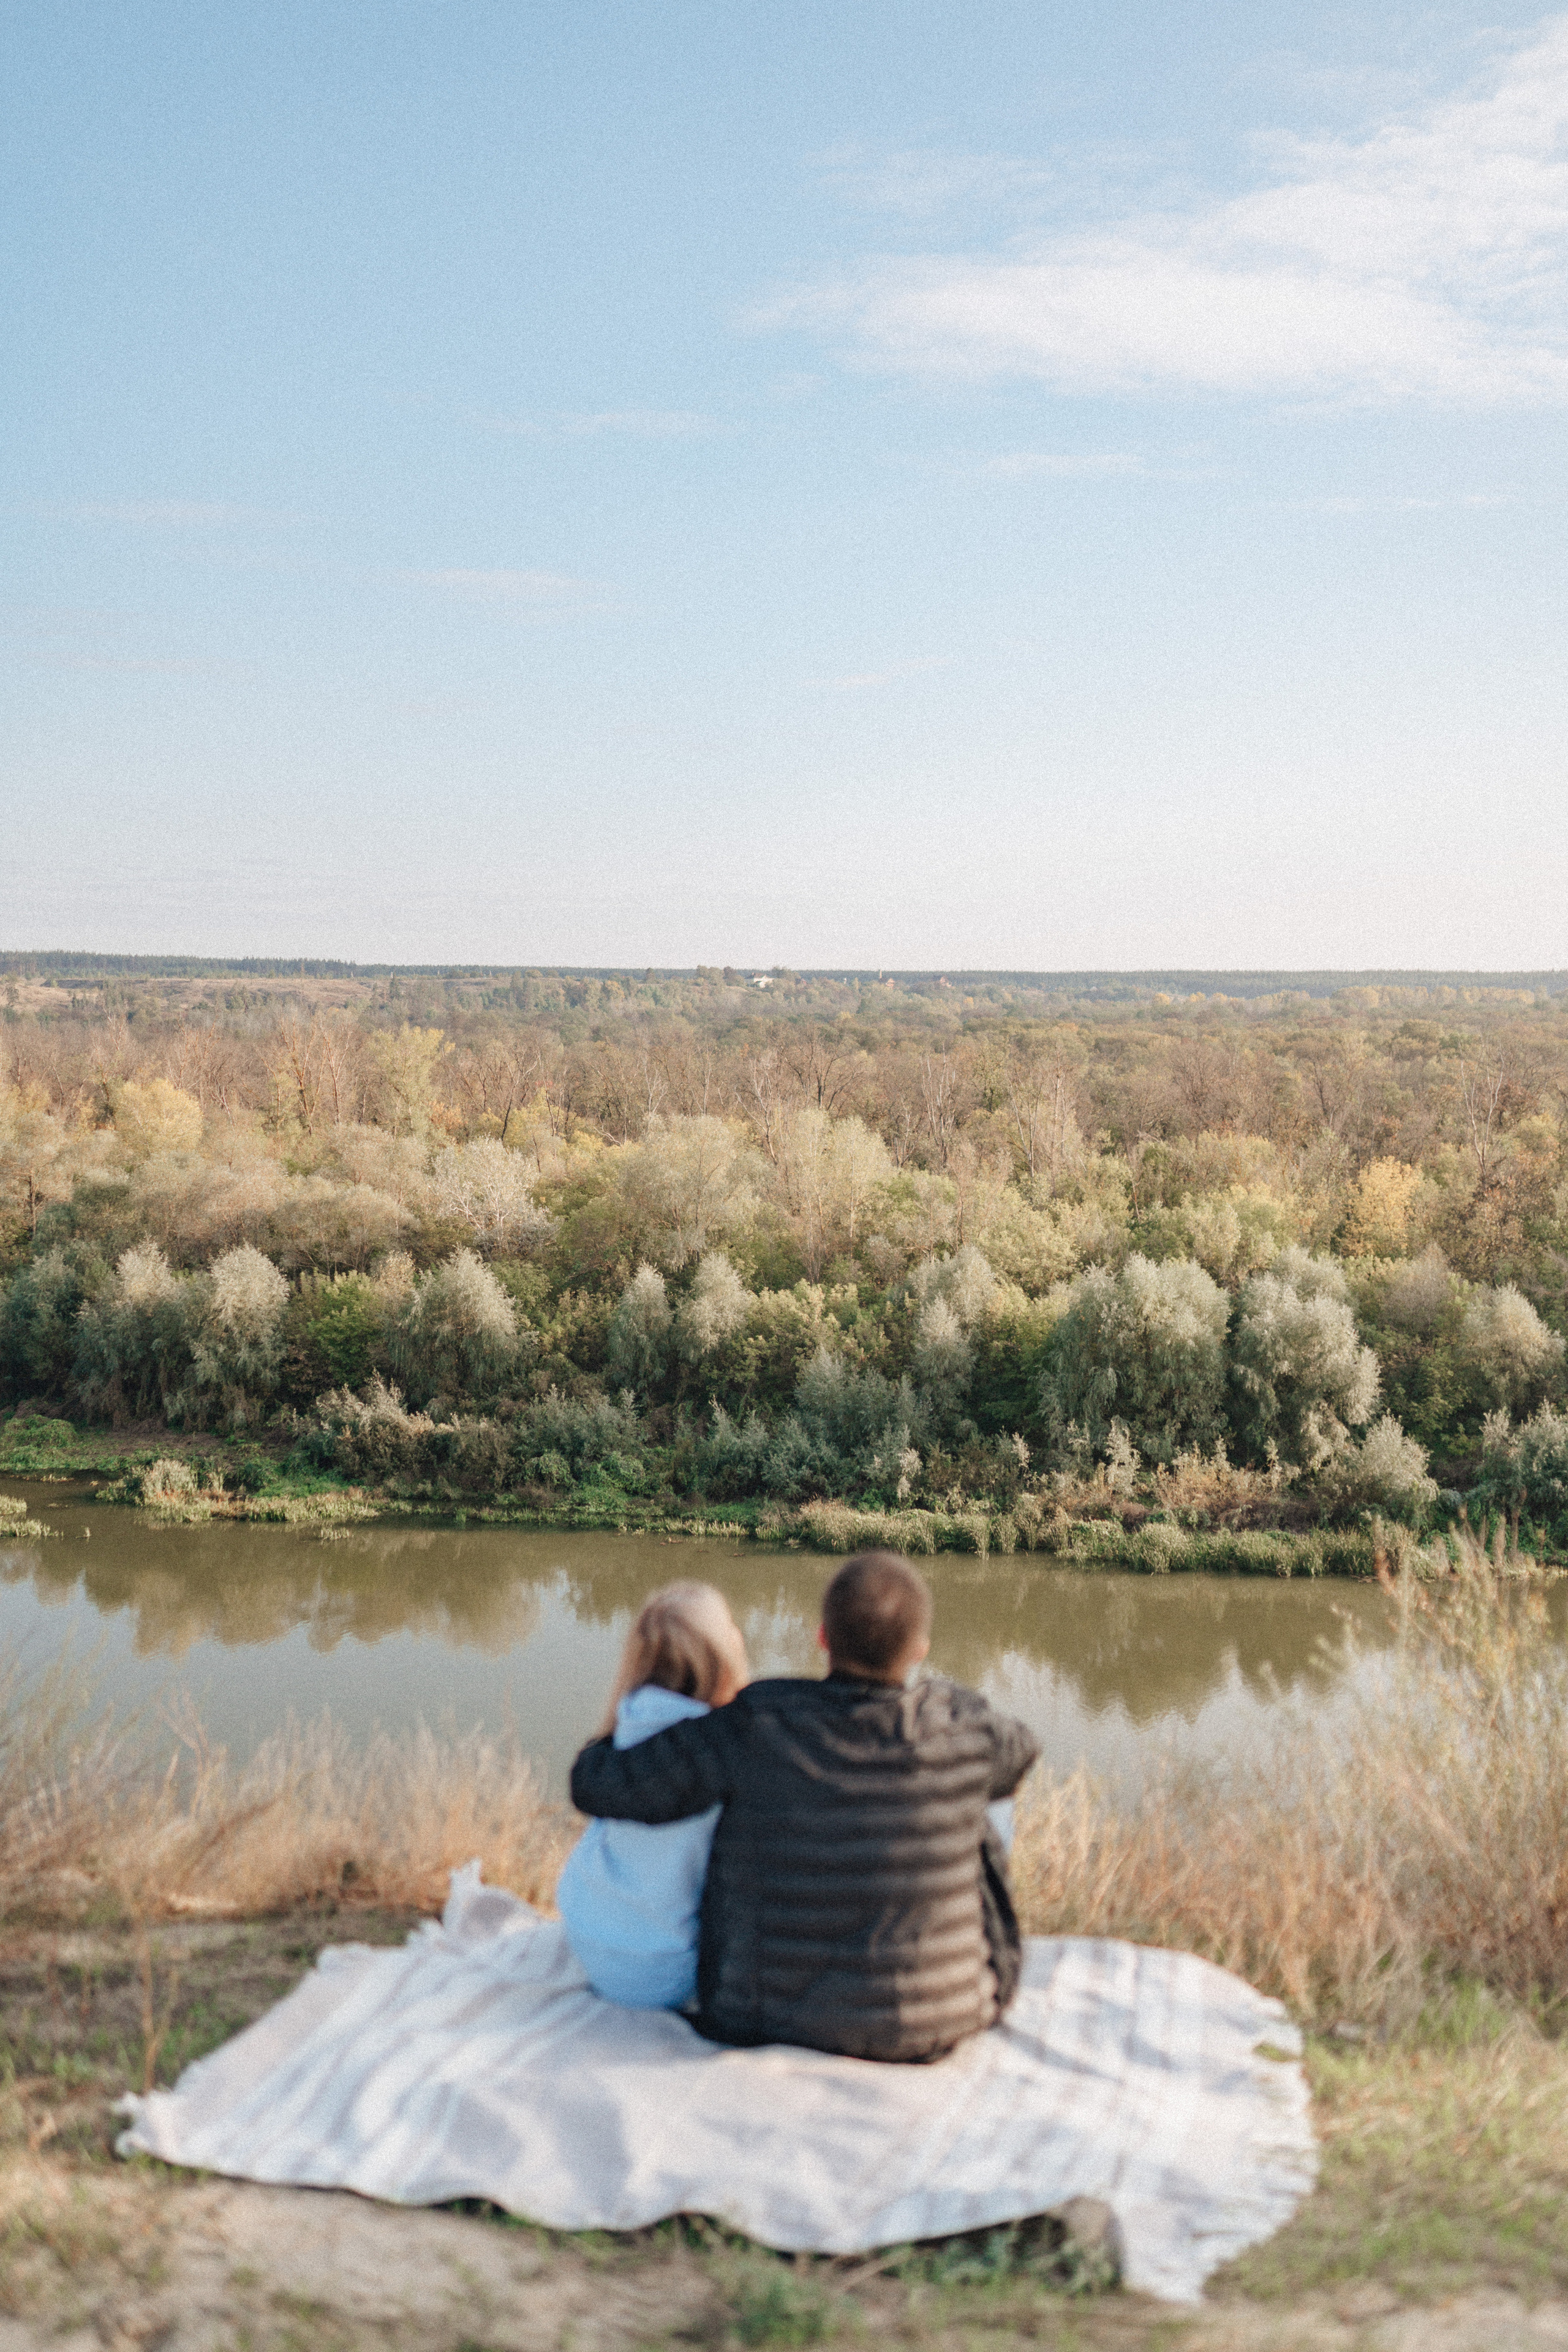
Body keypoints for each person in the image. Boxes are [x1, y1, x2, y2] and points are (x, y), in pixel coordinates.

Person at [570, 1551, 1039, 2064]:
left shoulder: (760, 1722)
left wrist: (606, 1736)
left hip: (760, 2015)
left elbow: (600, 1786)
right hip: (942, 2018)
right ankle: (951, 1950)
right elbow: (1024, 1750)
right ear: (919, 1650)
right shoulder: (964, 1724)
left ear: (821, 1638)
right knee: (990, 1793)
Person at [556, 1581, 750, 2009]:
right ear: (722, 1655)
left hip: (587, 1938)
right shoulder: (727, 1754)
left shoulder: (626, 1729)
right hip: (664, 1973)